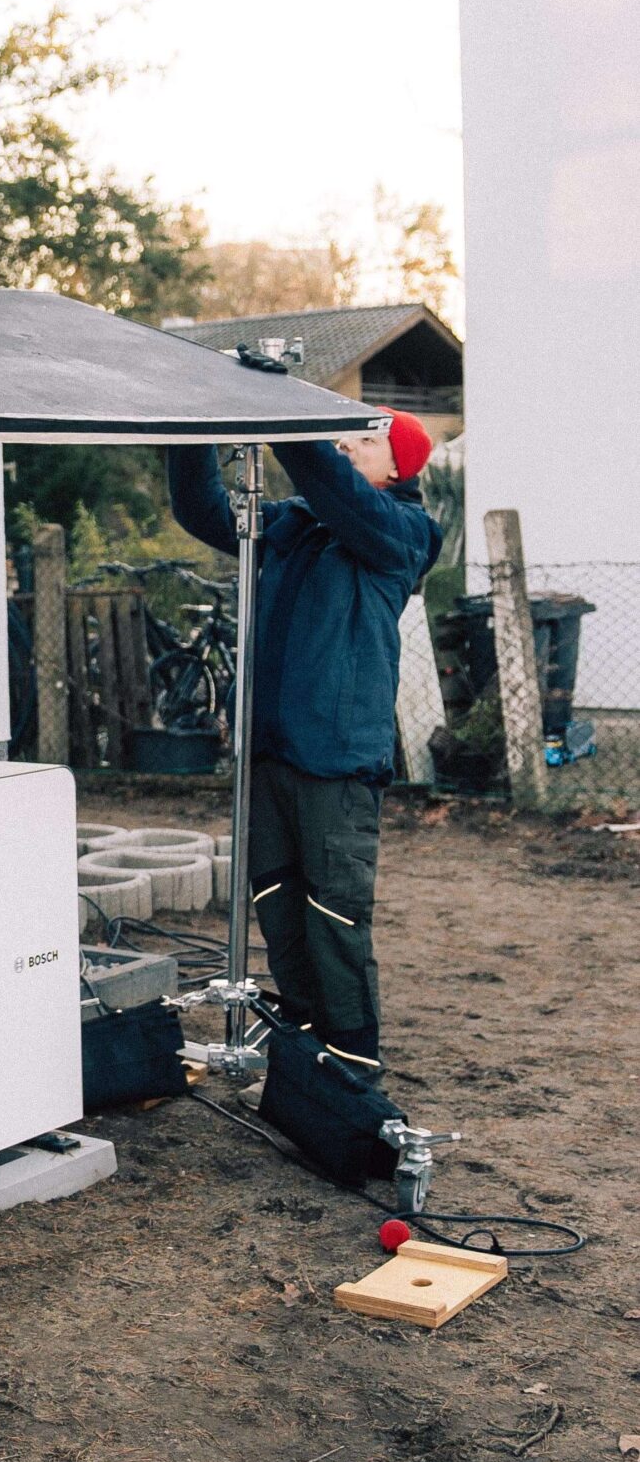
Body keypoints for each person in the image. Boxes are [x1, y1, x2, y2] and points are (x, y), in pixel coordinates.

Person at [166, 411, 441, 1077]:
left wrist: (281, 417)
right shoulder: (294, 523)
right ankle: (303, 1048)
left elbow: (330, 482)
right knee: (278, 904)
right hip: (268, 752)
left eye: (365, 439)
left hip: (336, 760)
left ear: (399, 467)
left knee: (333, 916)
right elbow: (203, 512)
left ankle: (351, 1062)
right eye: (344, 435)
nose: (346, 443)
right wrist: (188, 429)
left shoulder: (403, 532)